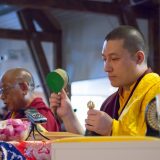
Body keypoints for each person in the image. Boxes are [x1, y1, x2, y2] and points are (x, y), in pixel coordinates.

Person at [49, 25, 160, 136]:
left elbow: (155, 143)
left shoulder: (156, 89)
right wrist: (68, 115)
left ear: (139, 58)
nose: (106, 68)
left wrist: (112, 129)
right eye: (104, 59)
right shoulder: (110, 103)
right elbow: (90, 148)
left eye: (114, 58)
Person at [0, 68, 59, 132]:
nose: (2, 97)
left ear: (24, 88)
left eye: (5, 90)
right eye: (1, 91)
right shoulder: (12, 114)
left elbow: (41, 139)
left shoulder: (40, 115)